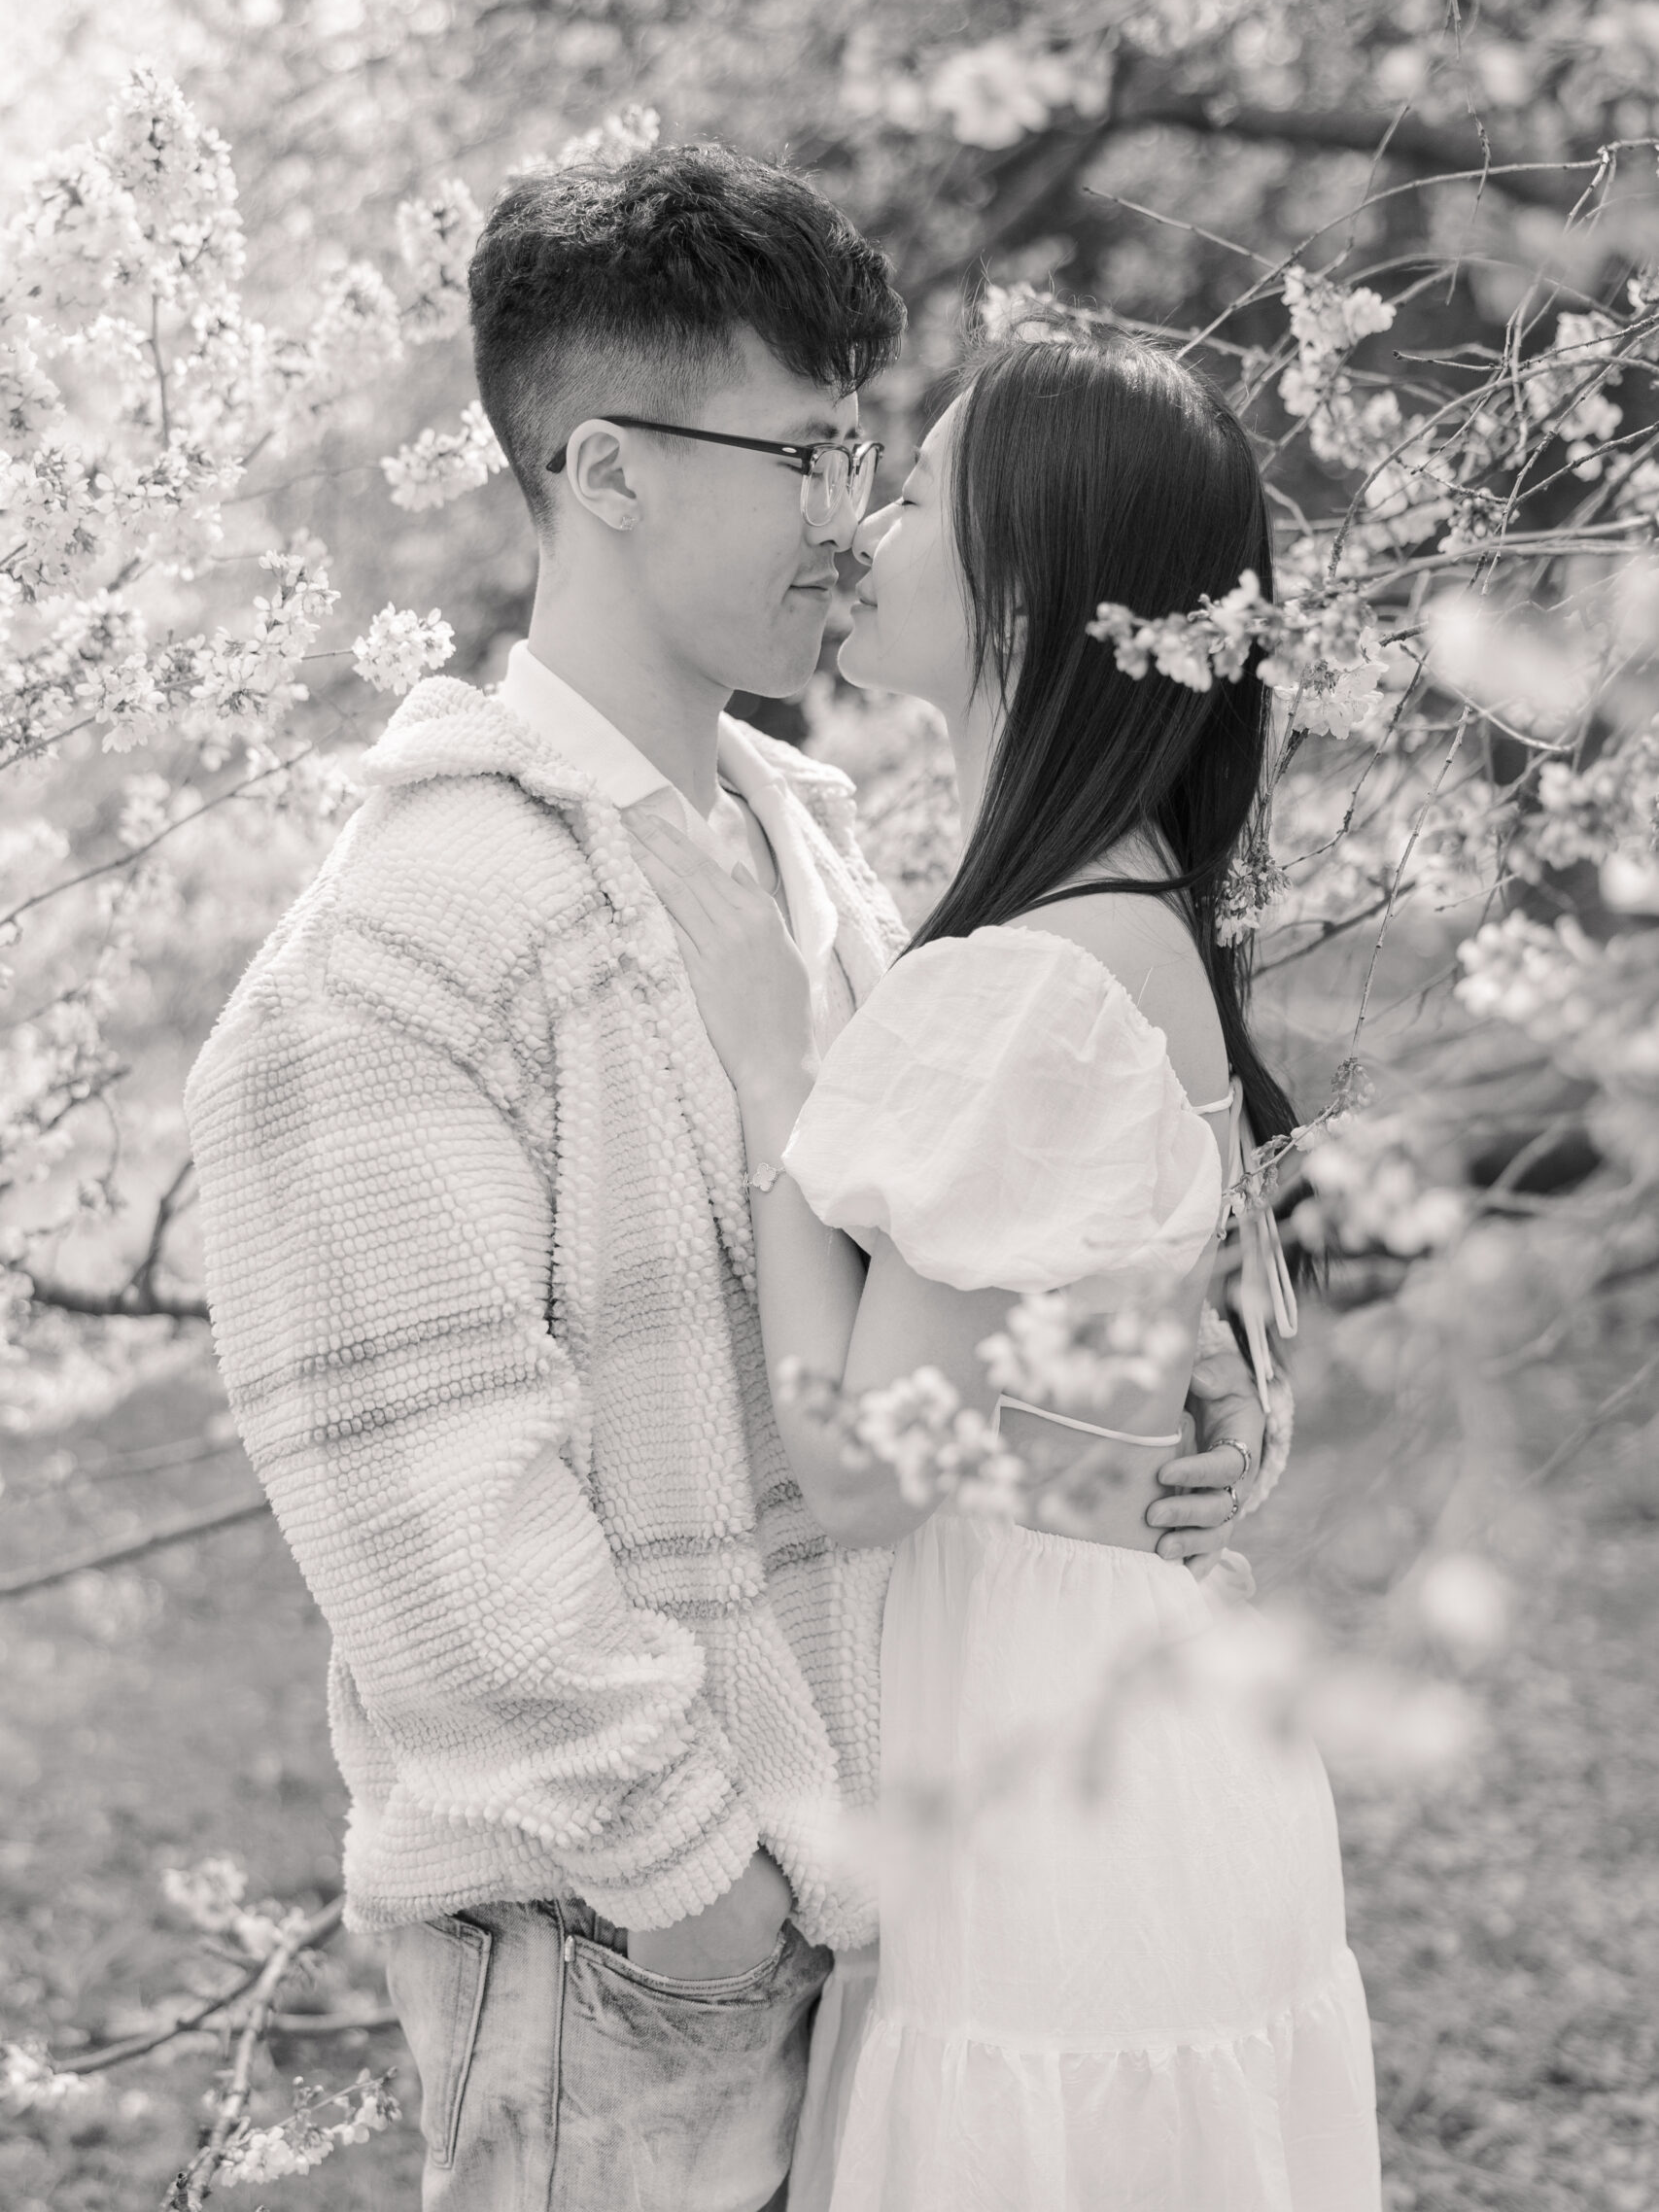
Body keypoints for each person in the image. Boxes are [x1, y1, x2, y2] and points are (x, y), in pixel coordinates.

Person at [184, 148, 1272, 2212]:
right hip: (631, 1946)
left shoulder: (821, 849)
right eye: (801, 450)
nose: (847, 514)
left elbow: (953, 1268)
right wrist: (694, 1882)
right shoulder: (416, 936)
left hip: (895, 1892)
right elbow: (423, 1495)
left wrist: (1131, 1407)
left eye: (861, 450)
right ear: (603, 466)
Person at [628, 328, 1383, 2211]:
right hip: (1126, 1703)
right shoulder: (1120, 910)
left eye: (916, 497)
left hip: (1047, 1762)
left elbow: (871, 1469)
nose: (861, 528)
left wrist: (786, 1118)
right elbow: (1101, 1378)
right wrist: (1141, 1461)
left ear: (1029, 589)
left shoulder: (1031, 970)